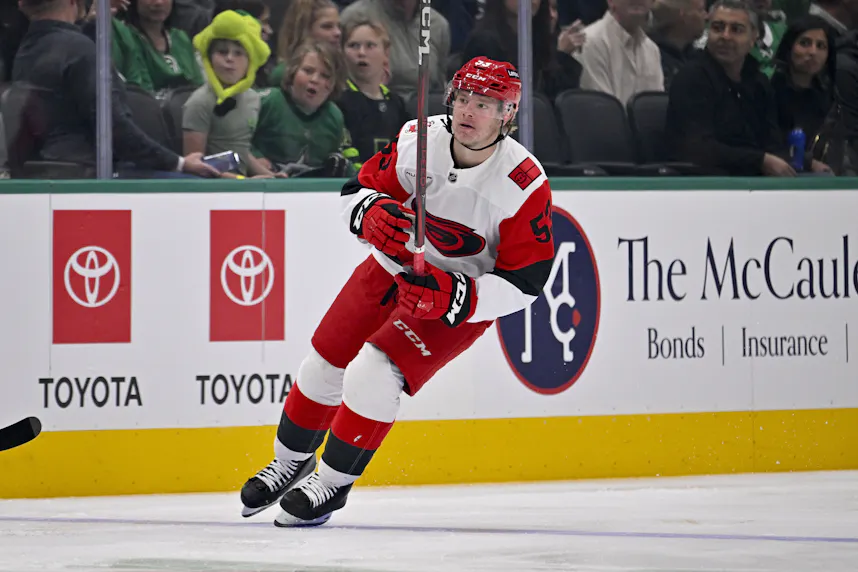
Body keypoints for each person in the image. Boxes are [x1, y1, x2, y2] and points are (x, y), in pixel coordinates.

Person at [239, 57, 556, 527]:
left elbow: (527, 285)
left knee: (373, 369)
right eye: (464, 99)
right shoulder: (417, 139)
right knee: (325, 361)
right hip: (388, 269)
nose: (470, 112)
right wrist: (368, 212)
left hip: (452, 299)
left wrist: (459, 298)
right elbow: (357, 189)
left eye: (485, 104)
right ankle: (290, 461)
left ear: (507, 114)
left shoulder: (523, 185)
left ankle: (331, 484)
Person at [12, 0, 218, 178]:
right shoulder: (81, 51)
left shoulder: (26, 51)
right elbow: (115, 130)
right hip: (92, 172)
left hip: (49, 168)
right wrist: (180, 163)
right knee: (198, 184)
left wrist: (90, 24)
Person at [182, 9, 281, 178]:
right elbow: (195, 169)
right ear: (209, 58)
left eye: (238, 53)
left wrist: (270, 177)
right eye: (222, 52)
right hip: (215, 193)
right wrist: (245, 181)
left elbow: (241, 151)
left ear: (251, 60)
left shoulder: (253, 98)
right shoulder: (199, 102)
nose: (230, 58)